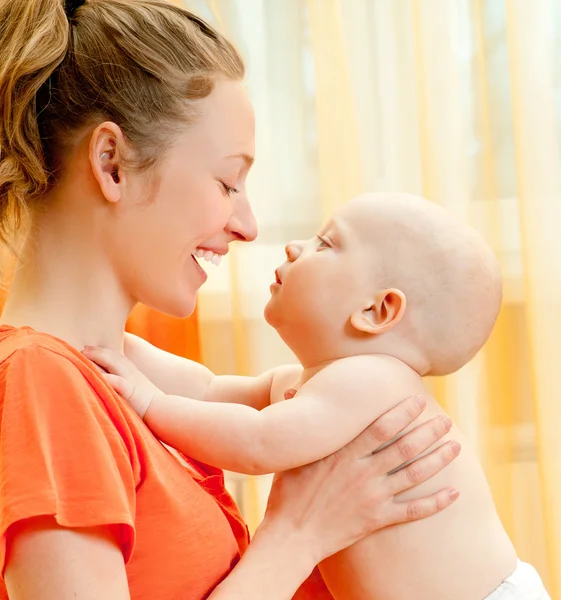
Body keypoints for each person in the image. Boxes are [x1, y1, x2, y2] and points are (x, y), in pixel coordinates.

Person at [0, 1, 462, 598]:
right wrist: (299, 532)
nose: (247, 225)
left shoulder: (117, 374)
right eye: (227, 182)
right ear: (112, 163)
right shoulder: (41, 383)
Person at [86, 192, 551, 600]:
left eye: (325, 244)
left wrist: (149, 403)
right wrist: (121, 344)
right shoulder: (324, 386)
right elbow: (208, 390)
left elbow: (258, 444)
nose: (295, 247)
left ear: (377, 310)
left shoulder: (374, 381)